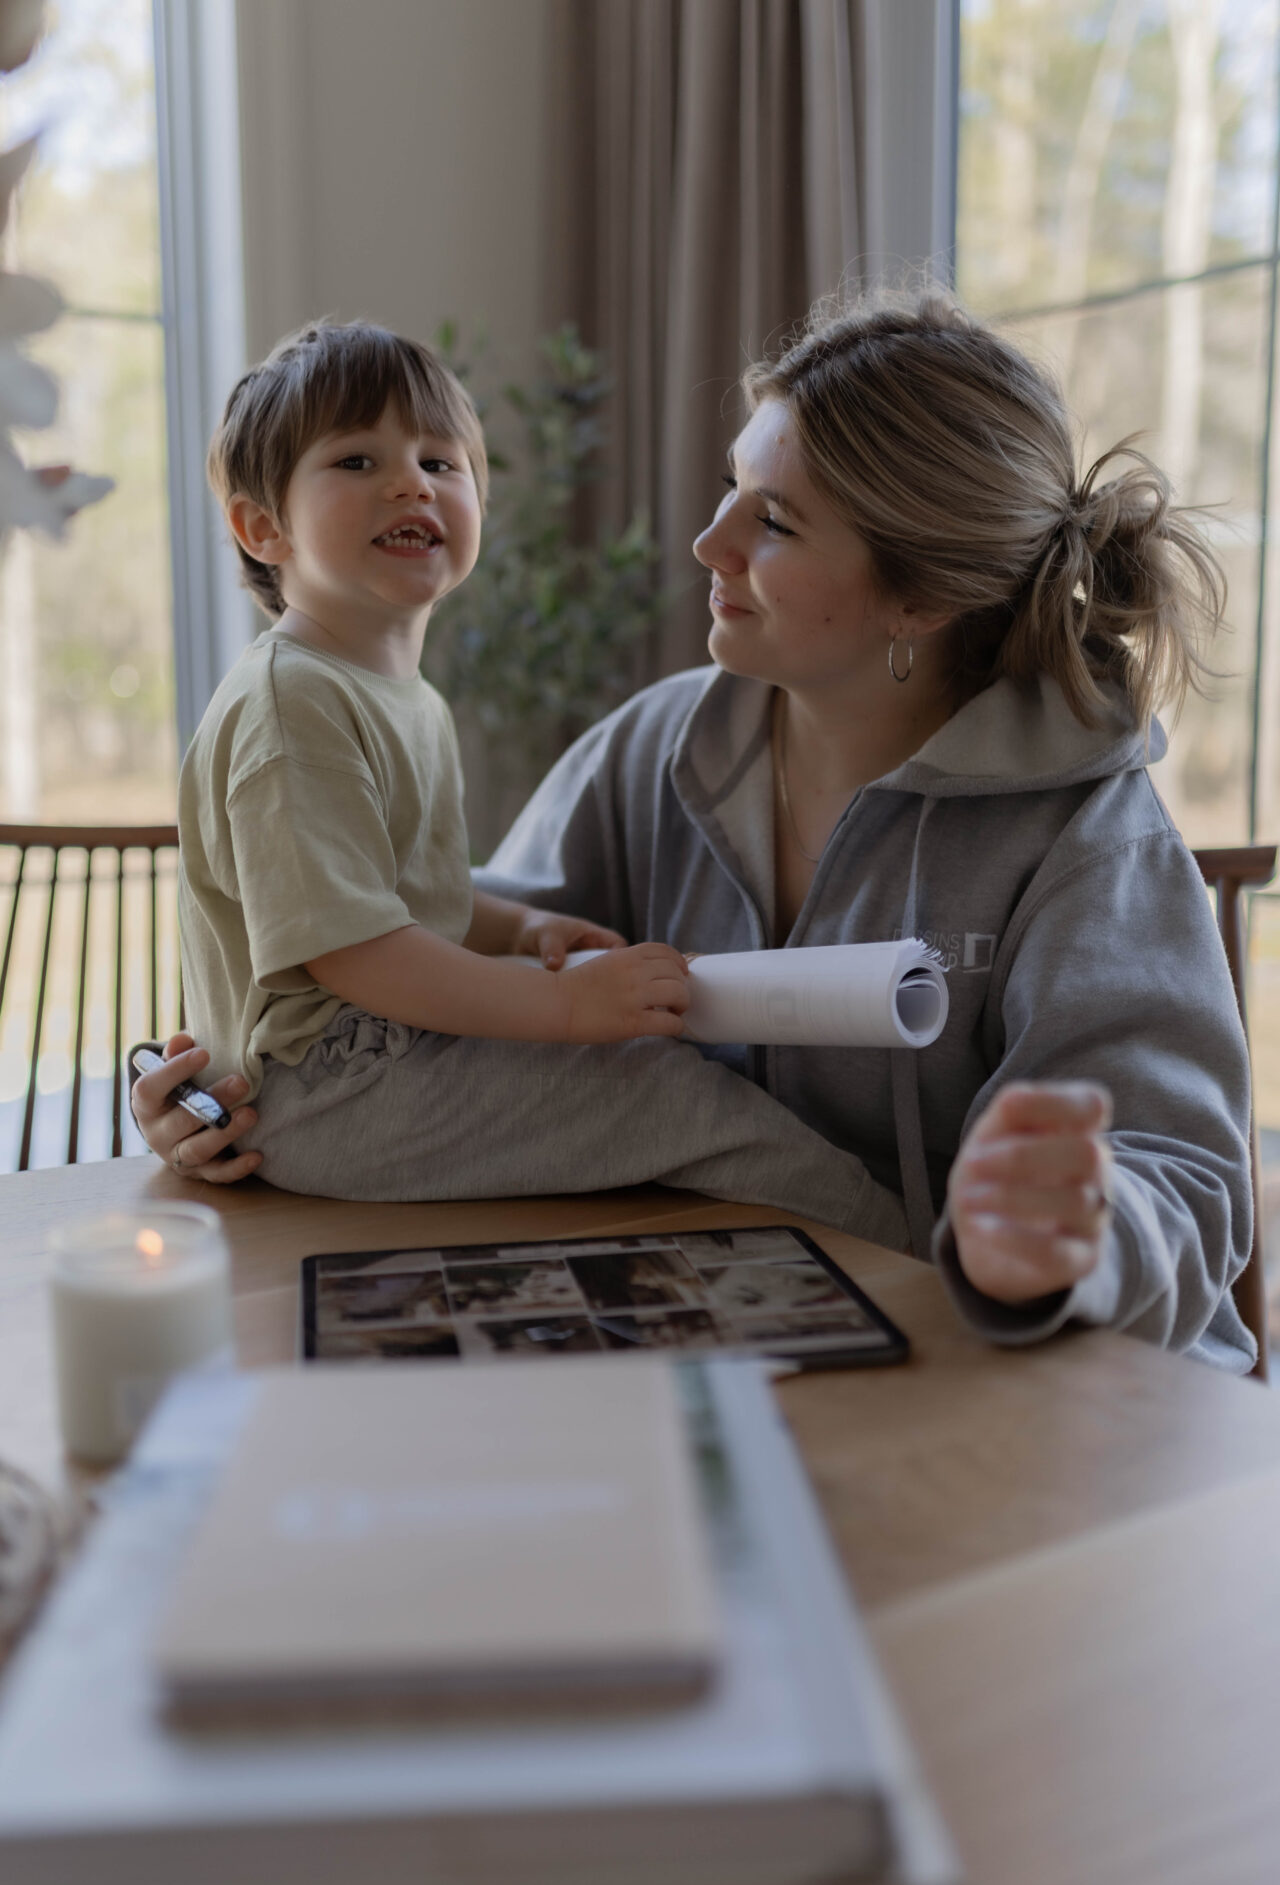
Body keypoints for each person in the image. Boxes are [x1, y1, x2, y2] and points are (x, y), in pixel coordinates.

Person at [135, 291, 1255, 1371]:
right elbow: (408, 970)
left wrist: (1071, 1243)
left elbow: (1183, 1184)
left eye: (772, 521)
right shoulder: (657, 748)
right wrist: (203, 1081)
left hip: (1044, 1394)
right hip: (769, 1339)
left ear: (918, 600)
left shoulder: (1087, 835)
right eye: (730, 490)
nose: (707, 543)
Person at [165, 317, 926, 1253]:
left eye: (441, 462)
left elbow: (400, 900)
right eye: (357, 461)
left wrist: (521, 929)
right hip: (330, 1087)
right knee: (665, 1089)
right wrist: (567, 1007)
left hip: (362, 1064)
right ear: (262, 527)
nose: (411, 483)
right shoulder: (294, 703)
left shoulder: (391, 695)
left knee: (637, 1062)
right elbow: (358, 954)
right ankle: (908, 1266)